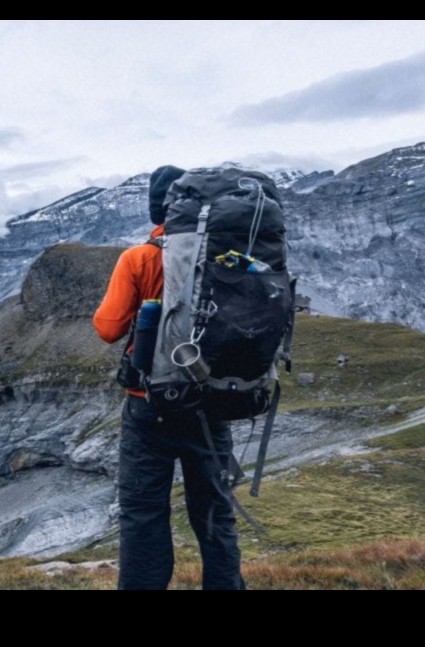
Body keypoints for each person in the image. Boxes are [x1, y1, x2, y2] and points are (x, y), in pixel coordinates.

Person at [92, 165, 245, 590]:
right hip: (210, 404)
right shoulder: (226, 256)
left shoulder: (140, 258)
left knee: (144, 513)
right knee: (214, 510)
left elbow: (107, 328)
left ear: (156, 207)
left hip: (150, 405)